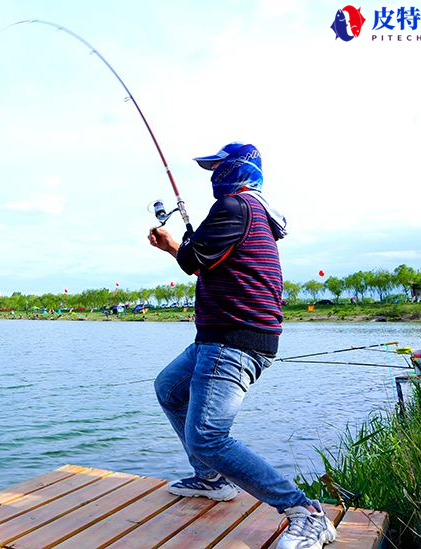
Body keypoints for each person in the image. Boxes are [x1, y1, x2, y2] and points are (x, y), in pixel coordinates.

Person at [148, 142, 336, 549]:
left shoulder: (235, 208)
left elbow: (192, 260)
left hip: (234, 340)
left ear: (235, 169)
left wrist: (169, 244)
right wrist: (184, 244)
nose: (213, 176)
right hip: (220, 336)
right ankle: (212, 478)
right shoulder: (255, 213)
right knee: (169, 388)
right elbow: (205, 259)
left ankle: (305, 512)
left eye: (216, 167)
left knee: (208, 436)